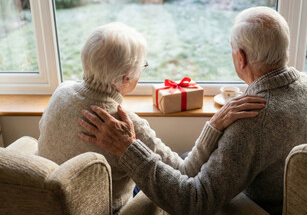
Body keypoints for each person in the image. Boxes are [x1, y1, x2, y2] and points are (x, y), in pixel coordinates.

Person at [78, 7, 307, 215]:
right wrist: (214, 126)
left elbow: (193, 202)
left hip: (258, 207)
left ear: (241, 58)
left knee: (146, 190)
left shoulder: (253, 118)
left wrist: (127, 149)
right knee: (182, 159)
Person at [37, 22, 266, 213]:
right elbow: (185, 173)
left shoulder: (61, 91)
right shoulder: (123, 125)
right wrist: (214, 124)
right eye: (142, 66)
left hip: (50, 203)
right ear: (126, 78)